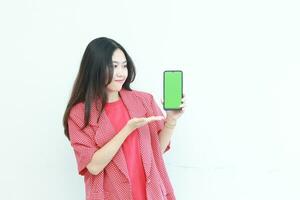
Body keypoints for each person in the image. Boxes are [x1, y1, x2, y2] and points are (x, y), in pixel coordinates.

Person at [63, 37, 186, 200]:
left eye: (124, 65)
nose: (121, 72)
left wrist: (171, 120)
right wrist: (127, 129)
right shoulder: (80, 113)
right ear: (95, 68)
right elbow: (93, 166)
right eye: (113, 66)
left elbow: (157, 150)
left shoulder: (143, 100)